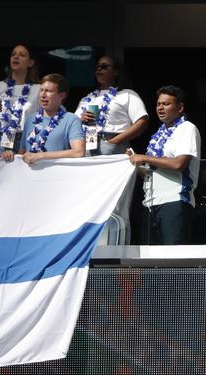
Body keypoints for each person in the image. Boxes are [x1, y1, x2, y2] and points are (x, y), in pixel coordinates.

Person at [76, 56, 149, 243]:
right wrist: (81, 119)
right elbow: (73, 127)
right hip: (89, 148)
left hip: (115, 148)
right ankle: (91, 249)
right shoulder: (87, 98)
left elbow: (142, 121)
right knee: (90, 202)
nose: (99, 70)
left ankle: (118, 254)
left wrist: (116, 140)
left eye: (104, 66)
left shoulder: (126, 95)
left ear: (116, 71)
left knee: (116, 205)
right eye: (97, 67)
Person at [127, 85, 201, 245]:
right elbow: (149, 172)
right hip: (150, 203)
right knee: (150, 261)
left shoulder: (187, 129)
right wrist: (133, 162)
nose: (160, 108)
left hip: (175, 201)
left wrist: (144, 157)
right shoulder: (158, 135)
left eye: (166, 104)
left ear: (180, 107)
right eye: (158, 104)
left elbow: (178, 164)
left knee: (173, 261)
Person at [1, 74, 85, 164]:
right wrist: (11, 155)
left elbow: (79, 152)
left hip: (56, 175)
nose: (43, 95)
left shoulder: (71, 119)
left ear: (61, 95)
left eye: (48, 91)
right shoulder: (30, 119)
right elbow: (23, 154)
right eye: (41, 90)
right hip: (30, 176)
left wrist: (41, 156)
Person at [0, 44, 40, 159]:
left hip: (25, 143)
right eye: (13, 54)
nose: (16, 57)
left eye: (22, 55)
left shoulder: (38, 89)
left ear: (30, 63)